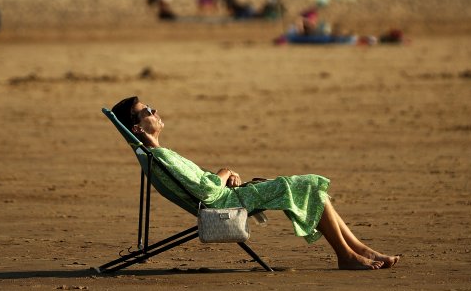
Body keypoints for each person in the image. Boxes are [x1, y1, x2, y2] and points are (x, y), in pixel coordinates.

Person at [111, 97, 401, 271]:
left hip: (228, 196)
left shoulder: (155, 156)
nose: (154, 111)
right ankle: (347, 255)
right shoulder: (161, 156)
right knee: (307, 185)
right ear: (136, 127)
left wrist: (222, 179)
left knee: (310, 188)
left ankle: (358, 250)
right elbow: (208, 191)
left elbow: (202, 187)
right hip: (227, 203)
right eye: (147, 110)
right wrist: (224, 171)